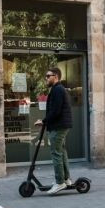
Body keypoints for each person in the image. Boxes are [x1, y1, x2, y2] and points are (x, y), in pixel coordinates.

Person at [34, 67, 73, 195]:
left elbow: (55, 111)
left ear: (55, 76)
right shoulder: (58, 89)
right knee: (61, 152)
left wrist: (44, 121)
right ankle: (66, 179)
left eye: (48, 76)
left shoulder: (57, 90)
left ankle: (59, 182)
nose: (46, 78)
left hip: (58, 126)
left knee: (56, 153)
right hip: (60, 125)